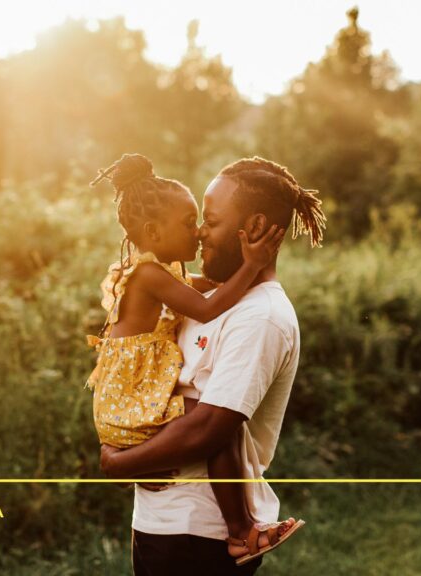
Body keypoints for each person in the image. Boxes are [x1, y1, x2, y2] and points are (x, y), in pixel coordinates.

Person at [100, 156, 327, 575]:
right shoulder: (197, 296)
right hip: (160, 523)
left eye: (211, 220)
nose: (200, 231)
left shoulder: (261, 317)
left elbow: (209, 427)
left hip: (202, 537)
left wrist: (117, 464)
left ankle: (244, 528)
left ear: (254, 228)